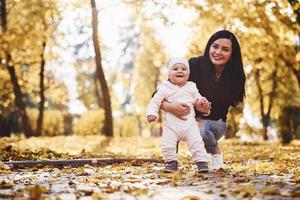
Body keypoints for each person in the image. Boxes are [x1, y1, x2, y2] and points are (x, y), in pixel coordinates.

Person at [161, 30, 246, 170]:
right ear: (209, 47)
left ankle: (215, 152)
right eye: (215, 46)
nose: (218, 52)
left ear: (232, 54)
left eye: (225, 49)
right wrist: (171, 108)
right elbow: (160, 93)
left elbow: (219, 111)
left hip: (215, 123)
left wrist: (200, 115)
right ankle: (171, 161)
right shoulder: (194, 65)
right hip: (186, 117)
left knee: (200, 130)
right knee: (173, 117)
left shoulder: (235, 76)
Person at [146, 58, 210, 173]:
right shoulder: (164, 88)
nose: (180, 71)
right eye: (175, 69)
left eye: (183, 69)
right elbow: (155, 101)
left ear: (188, 73)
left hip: (190, 125)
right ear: (169, 74)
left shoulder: (191, 87)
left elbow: (197, 98)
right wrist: (152, 113)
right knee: (167, 145)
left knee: (197, 143)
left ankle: (202, 162)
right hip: (171, 126)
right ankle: (171, 162)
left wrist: (202, 101)